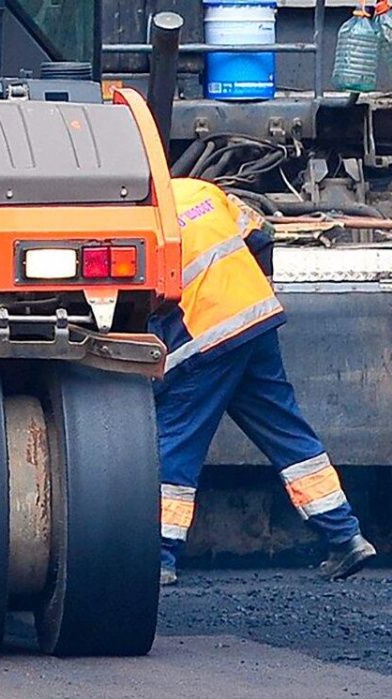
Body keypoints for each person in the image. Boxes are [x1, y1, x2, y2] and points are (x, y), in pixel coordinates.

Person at [153, 177, 376, 586]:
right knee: (287, 433)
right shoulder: (202, 192)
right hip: (255, 323)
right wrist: (263, 292)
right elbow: (262, 236)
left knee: (176, 440)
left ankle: (160, 556)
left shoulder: (141, 215)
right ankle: (346, 536)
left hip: (205, 340)